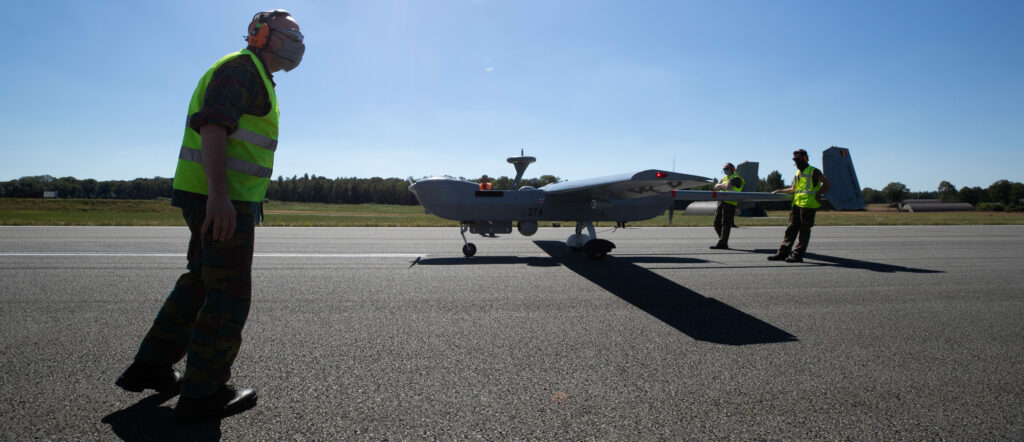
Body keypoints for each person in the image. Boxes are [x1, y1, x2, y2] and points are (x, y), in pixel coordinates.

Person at [115, 9, 305, 424]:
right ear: (261, 34)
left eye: (300, 36)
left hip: (216, 196)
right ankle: (204, 393)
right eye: (291, 34)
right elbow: (213, 127)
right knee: (227, 295)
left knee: (201, 281)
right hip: (220, 200)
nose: (299, 44)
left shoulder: (255, 74)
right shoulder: (241, 70)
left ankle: (151, 367)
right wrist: (220, 196)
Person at [767, 149, 831, 263]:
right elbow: (794, 189)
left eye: (798, 159)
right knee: (790, 231)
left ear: (805, 158)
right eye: (794, 159)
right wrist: (780, 190)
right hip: (797, 205)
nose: (796, 162)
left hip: (808, 206)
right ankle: (782, 253)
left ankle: (797, 255)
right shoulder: (798, 174)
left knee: (804, 232)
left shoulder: (814, 171)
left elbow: (827, 183)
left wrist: (818, 193)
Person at [709, 163, 745, 249]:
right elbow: (715, 187)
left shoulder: (736, 178)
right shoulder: (724, 178)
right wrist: (722, 185)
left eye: (726, 168)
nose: (725, 170)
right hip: (721, 201)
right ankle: (723, 241)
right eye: (724, 169)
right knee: (716, 223)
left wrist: (721, 186)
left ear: (732, 169)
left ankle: (722, 243)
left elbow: (728, 186)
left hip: (730, 203)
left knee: (725, 223)